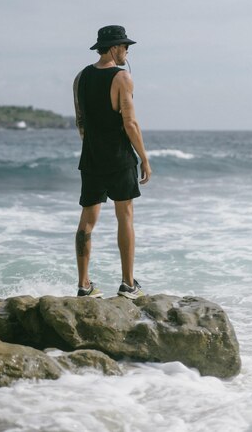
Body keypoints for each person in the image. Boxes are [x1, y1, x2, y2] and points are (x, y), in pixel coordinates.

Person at [73, 25, 152, 299]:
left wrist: (93, 146)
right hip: (119, 158)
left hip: (92, 157)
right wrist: (144, 157)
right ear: (116, 48)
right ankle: (128, 284)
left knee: (87, 222)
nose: (127, 51)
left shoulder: (80, 77)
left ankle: (84, 285)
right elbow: (130, 122)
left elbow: (81, 121)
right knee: (125, 217)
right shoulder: (122, 77)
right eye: (125, 47)